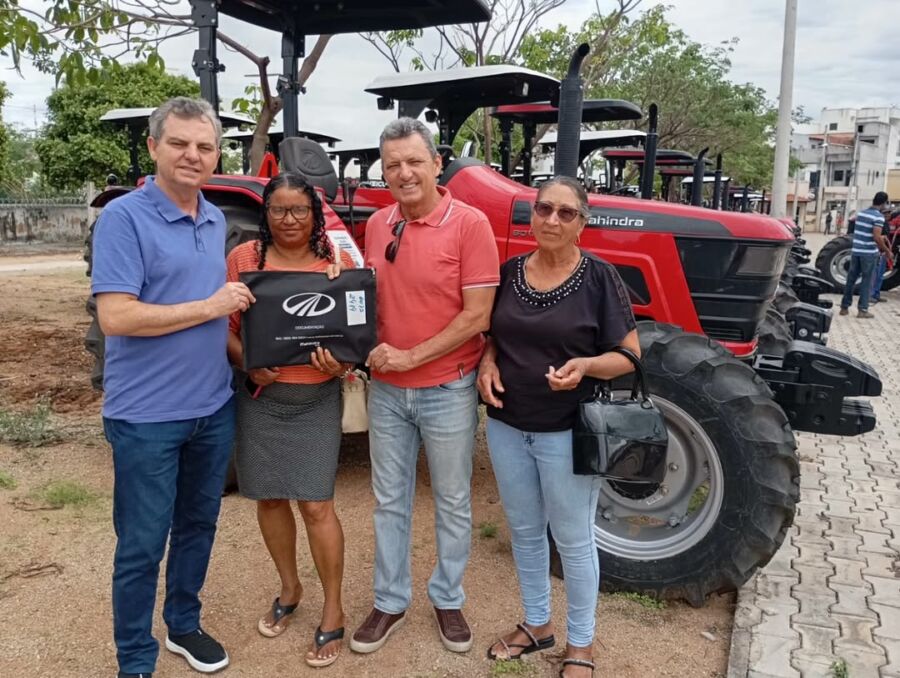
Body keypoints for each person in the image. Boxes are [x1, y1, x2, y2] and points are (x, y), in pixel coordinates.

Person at [91, 97, 255, 677]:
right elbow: (117, 316)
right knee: (140, 544)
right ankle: (135, 657)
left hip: (212, 408)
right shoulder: (123, 219)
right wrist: (210, 306)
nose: (193, 155)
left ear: (215, 155)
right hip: (147, 418)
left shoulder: (214, 221)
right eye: (180, 143)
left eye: (204, 146)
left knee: (198, 526)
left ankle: (183, 624)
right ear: (155, 147)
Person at [349, 117, 500, 656]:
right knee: (389, 501)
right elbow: (367, 301)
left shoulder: (471, 225)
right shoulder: (378, 224)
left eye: (415, 161)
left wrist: (410, 355)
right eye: (393, 165)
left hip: (447, 389)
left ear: (439, 164)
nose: (404, 172)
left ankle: (447, 597)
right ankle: (389, 600)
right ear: (384, 172)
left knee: (453, 499)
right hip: (386, 392)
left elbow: (476, 316)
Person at [477, 176, 639, 678]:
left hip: (567, 431)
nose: (551, 220)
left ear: (582, 224)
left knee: (572, 537)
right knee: (525, 532)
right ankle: (537, 625)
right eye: (544, 209)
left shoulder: (599, 278)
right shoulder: (508, 272)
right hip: (507, 424)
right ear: (532, 215)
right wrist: (487, 361)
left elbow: (630, 356)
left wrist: (587, 367)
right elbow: (492, 334)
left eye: (565, 213)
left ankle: (582, 644)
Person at [225, 172, 354, 668]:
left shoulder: (335, 264)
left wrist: (341, 363)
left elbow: (355, 332)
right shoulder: (244, 260)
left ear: (315, 213)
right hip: (261, 398)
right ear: (266, 213)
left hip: (315, 399)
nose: (289, 220)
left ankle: (334, 609)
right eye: (278, 210)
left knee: (317, 505)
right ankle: (289, 586)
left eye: (299, 210)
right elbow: (226, 328)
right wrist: (246, 361)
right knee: (272, 498)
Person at [840, 191, 891, 318]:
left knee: (851, 279)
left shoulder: (861, 213)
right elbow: (876, 237)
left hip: (856, 251)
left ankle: (844, 308)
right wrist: (887, 250)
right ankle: (862, 310)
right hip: (868, 253)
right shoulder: (878, 217)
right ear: (884, 203)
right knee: (866, 281)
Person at [870, 208, 899, 304]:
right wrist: (887, 251)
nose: (888, 214)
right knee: (876, 275)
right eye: (885, 213)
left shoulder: (886, 224)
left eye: (889, 213)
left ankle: (876, 294)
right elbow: (879, 238)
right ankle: (872, 295)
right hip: (880, 253)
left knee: (880, 276)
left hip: (884, 253)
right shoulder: (880, 224)